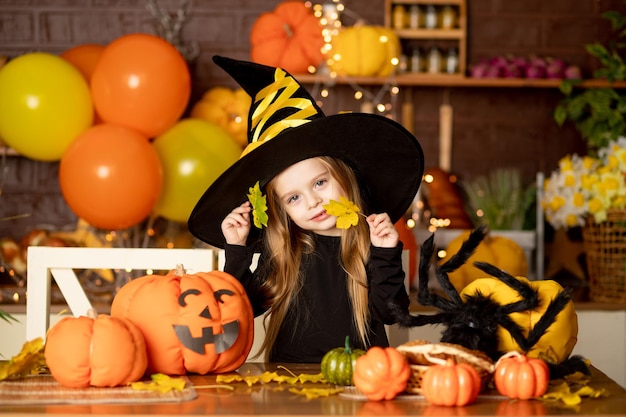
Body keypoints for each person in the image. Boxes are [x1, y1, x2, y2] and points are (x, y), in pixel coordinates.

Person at [188, 56, 424, 363]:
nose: (312, 202)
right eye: (293, 198)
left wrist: (385, 253)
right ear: (280, 210)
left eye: (320, 183)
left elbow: (392, 314)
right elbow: (238, 310)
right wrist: (236, 249)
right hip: (287, 384)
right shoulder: (285, 252)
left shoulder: (369, 245)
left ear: (344, 177)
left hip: (362, 381)